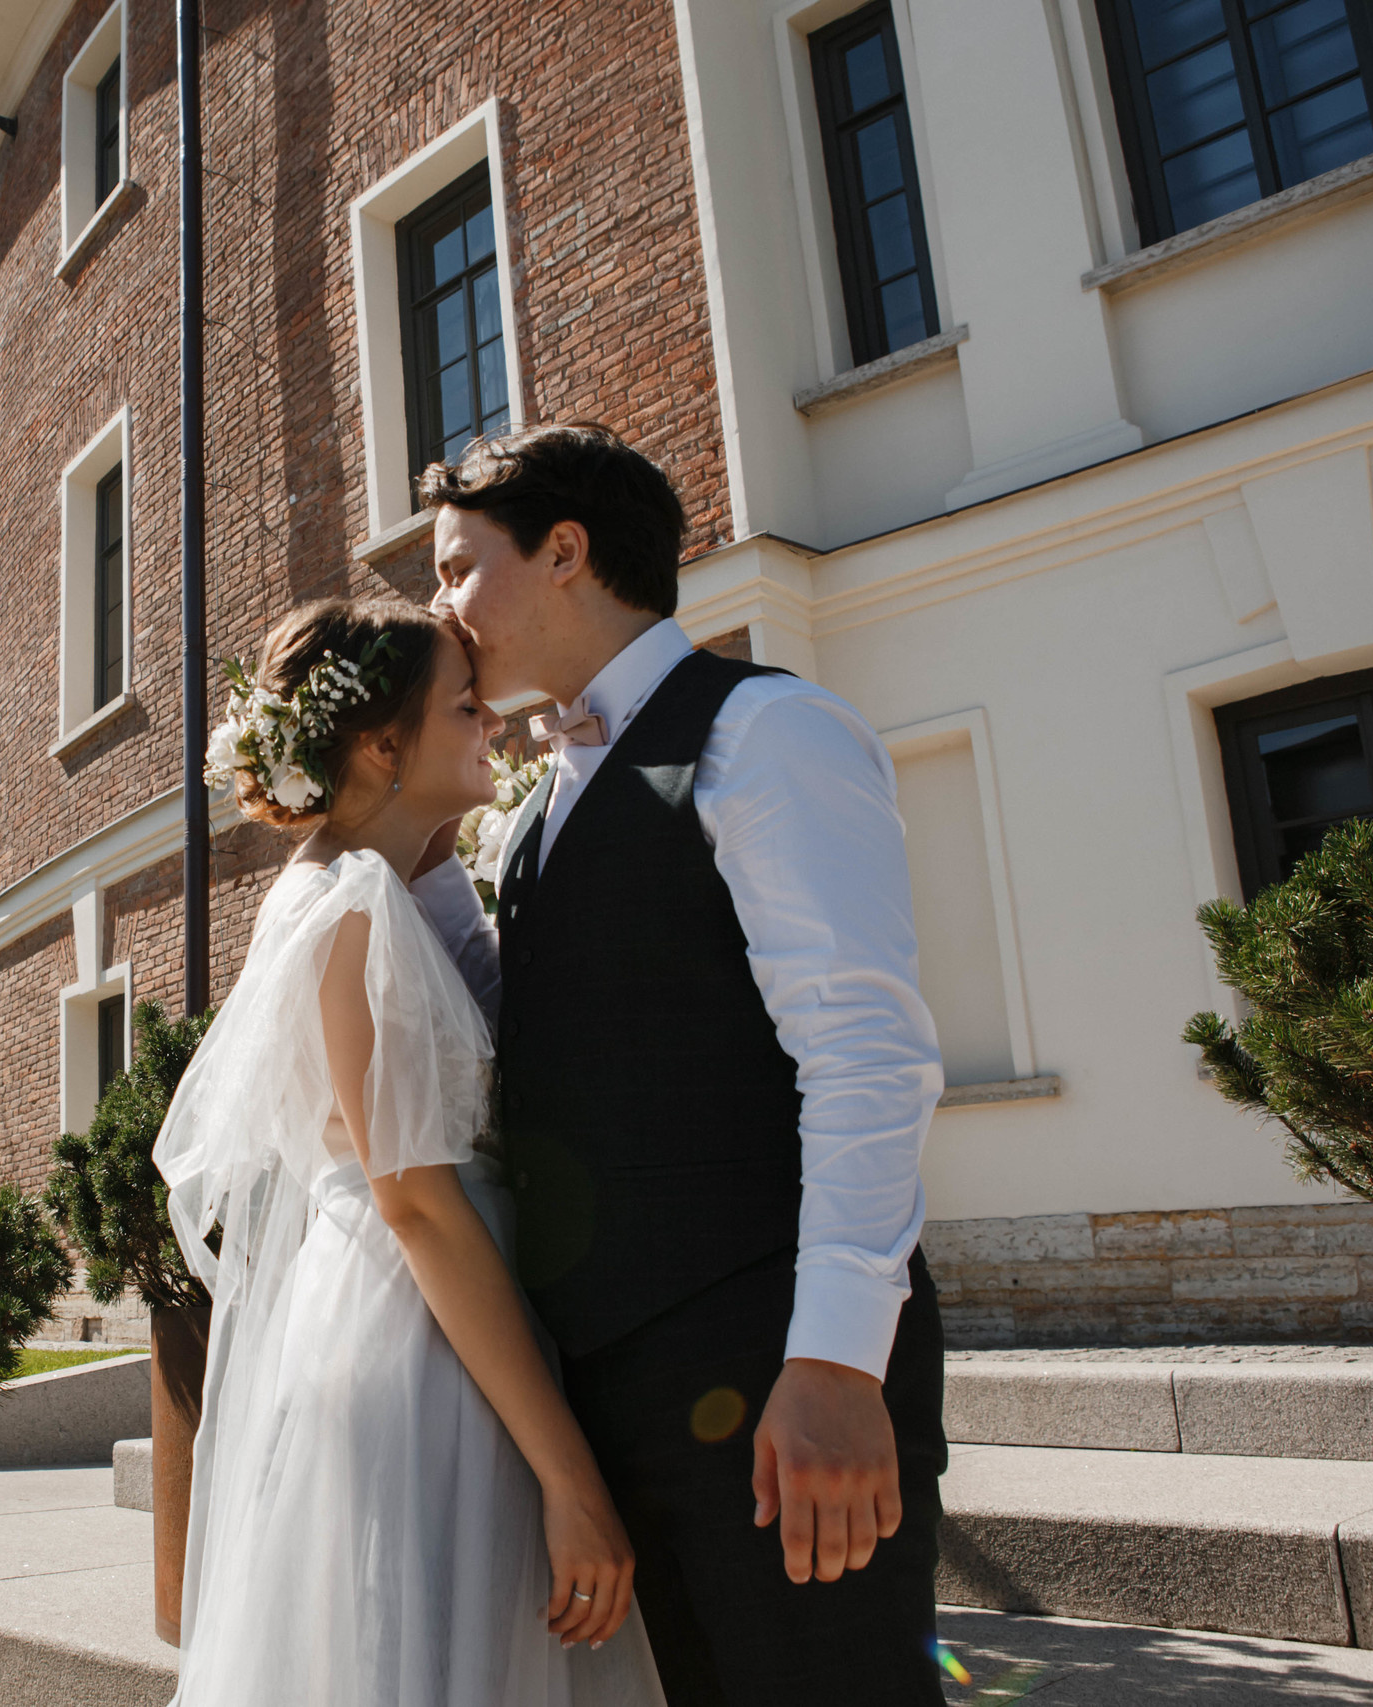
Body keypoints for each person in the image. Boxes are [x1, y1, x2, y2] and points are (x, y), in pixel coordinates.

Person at [410, 423, 948, 1706]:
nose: (440, 608)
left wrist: (831, 1363)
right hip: (613, 1379)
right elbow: (551, 1027)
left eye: (454, 567)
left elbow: (867, 1056)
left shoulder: (765, 732)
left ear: (566, 552)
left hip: (769, 1364)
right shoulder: (542, 798)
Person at [155, 598, 661, 1707]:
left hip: (419, 1324)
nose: (491, 724)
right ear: (383, 746)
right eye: (466, 706)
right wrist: (571, 1479)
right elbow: (418, 1206)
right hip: (420, 1348)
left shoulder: (370, 890)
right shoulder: (352, 913)